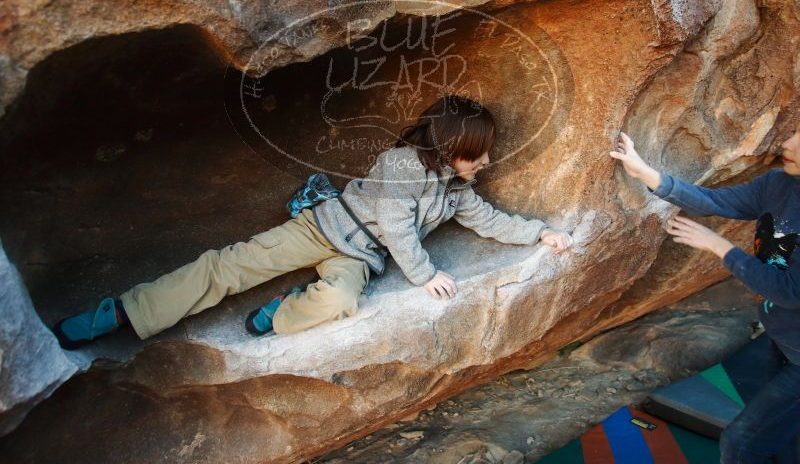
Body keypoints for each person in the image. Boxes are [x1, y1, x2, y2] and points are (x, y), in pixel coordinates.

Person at [53, 95, 572, 349]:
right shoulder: (401, 165)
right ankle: (124, 311)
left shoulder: (457, 188)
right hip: (321, 228)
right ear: (453, 147)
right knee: (229, 267)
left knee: (344, 300)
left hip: (358, 259)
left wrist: (538, 232)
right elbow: (396, 227)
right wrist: (425, 274)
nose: (486, 162)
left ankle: (282, 311)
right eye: (479, 153)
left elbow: (487, 218)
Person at [610, 123, 800, 464]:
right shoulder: (779, 184)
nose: (788, 142)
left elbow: (790, 292)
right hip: (784, 339)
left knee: (741, 444)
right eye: (796, 132)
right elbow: (714, 201)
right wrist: (647, 174)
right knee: (782, 439)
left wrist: (719, 247)